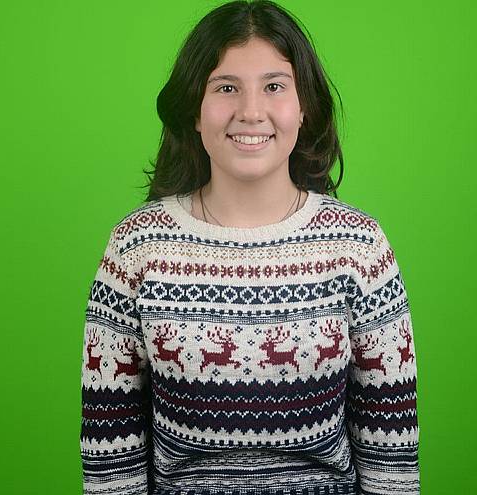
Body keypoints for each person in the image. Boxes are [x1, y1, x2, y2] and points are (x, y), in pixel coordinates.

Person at [79, 1, 420, 494]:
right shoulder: (136, 247)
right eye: (226, 87)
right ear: (194, 110)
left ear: (304, 107)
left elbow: (392, 454)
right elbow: (110, 456)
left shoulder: (360, 246)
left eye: (274, 86)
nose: (251, 111)